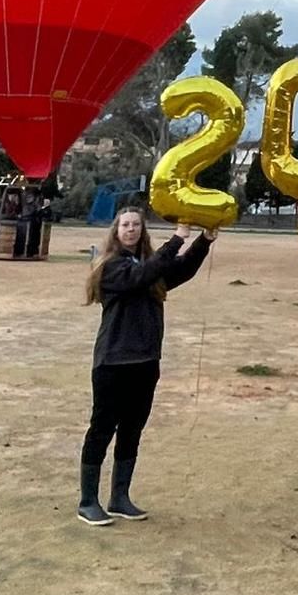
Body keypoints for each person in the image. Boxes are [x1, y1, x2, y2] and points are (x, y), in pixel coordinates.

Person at [77, 206, 215, 526]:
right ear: (116, 231)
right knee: (101, 429)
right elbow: (138, 278)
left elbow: (180, 270)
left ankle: (119, 498)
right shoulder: (111, 266)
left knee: (132, 430)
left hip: (146, 361)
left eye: (136, 224)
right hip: (113, 362)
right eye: (125, 224)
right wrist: (177, 239)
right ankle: (88, 501)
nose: (131, 229)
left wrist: (204, 241)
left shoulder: (150, 265)